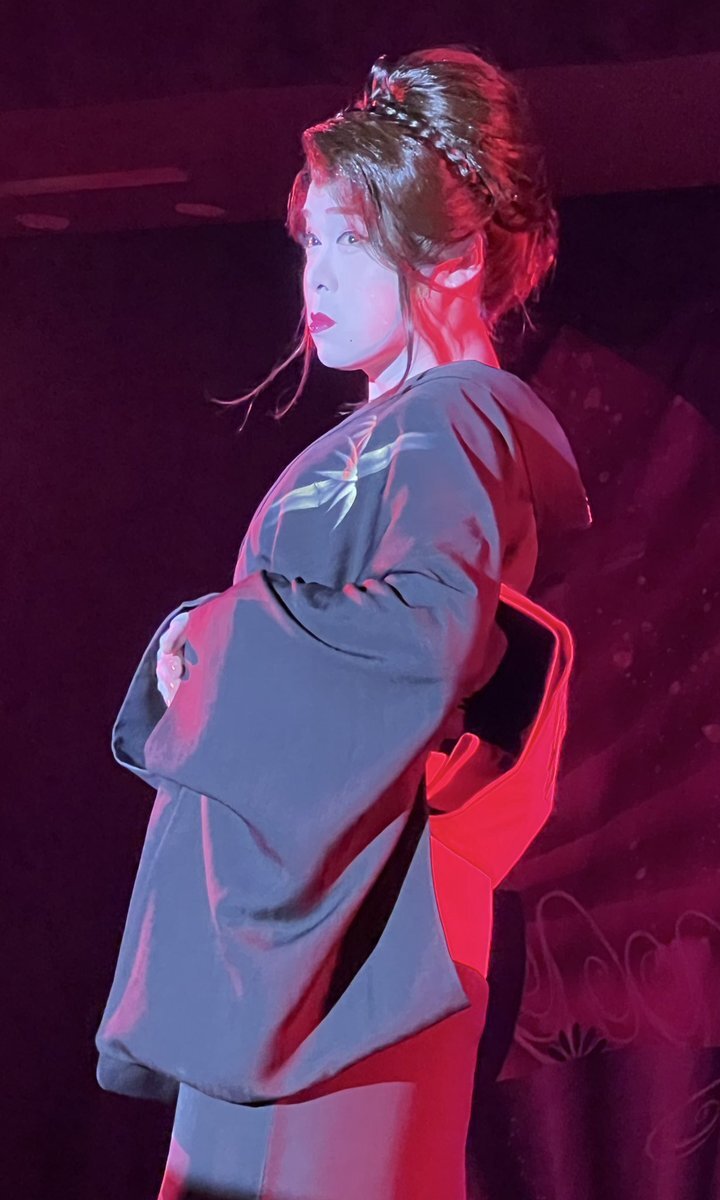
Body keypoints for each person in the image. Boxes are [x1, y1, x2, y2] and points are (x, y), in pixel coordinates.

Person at [95, 46, 591, 1199]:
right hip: (312, 939)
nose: (315, 272)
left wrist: (204, 641)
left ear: (454, 257)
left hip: (355, 943)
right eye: (311, 241)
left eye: (351, 241)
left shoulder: (449, 423)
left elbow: (424, 639)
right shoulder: (397, 436)